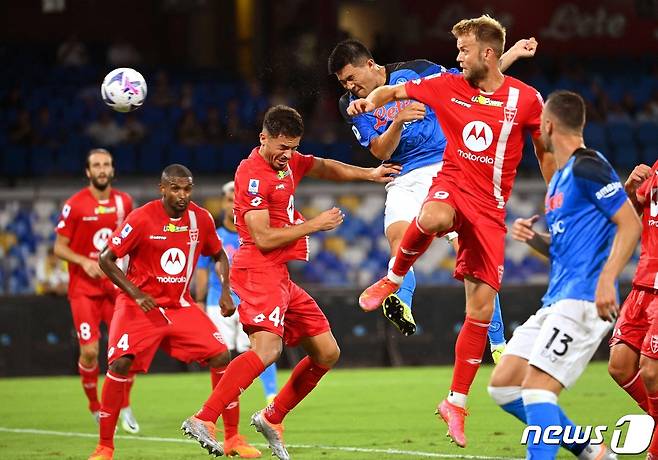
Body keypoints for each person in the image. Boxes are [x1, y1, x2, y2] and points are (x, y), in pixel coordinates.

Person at [347, 15, 554, 447]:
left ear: (487, 53)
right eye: (456, 50)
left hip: (491, 212)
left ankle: (456, 402)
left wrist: (555, 195)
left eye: (463, 50)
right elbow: (393, 91)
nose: (456, 57)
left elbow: (545, 148)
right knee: (435, 217)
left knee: (477, 311)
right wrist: (374, 101)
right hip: (448, 183)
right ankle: (394, 277)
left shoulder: (527, 99)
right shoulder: (446, 86)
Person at [184, 105, 400, 460]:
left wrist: (370, 173)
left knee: (327, 352)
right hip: (256, 269)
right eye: (282, 147)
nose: (288, 155)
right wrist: (315, 224)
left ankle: (273, 416)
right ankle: (204, 419)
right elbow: (264, 237)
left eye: (293, 147)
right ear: (263, 137)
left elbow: (323, 166)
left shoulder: (289, 162)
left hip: (279, 274)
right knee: (268, 350)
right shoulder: (252, 175)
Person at [328, 38, 537, 351]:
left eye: (351, 78)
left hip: (446, 168)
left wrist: (513, 54)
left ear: (370, 65)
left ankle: (497, 343)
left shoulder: (417, 71)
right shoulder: (351, 104)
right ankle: (403, 303)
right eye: (343, 82)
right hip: (403, 177)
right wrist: (397, 121)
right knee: (400, 242)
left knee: (469, 256)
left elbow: (470, 82)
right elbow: (379, 150)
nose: (349, 86)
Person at [488, 90, 640, 460]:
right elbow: (564, 246)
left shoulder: (589, 165)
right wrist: (535, 240)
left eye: (540, 123)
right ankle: (590, 449)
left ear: (549, 125)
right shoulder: (559, 180)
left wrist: (607, 280)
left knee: (539, 390)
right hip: (557, 300)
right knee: (505, 386)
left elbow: (630, 225)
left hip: (584, 299)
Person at [87, 164, 241, 460]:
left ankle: (233, 437)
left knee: (222, 355)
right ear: (163, 189)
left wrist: (224, 290)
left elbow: (218, 254)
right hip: (138, 305)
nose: (182, 195)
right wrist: (134, 292)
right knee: (120, 363)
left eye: (186, 189)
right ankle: (105, 446)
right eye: (175, 188)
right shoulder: (141, 218)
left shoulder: (201, 218)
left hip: (178, 305)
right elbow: (106, 259)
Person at [54, 148, 139, 433]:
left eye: (106, 165)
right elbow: (59, 247)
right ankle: (95, 406)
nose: (102, 169)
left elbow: (131, 240)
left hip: (115, 287)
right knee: (90, 352)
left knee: (128, 350)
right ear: (88, 172)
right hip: (83, 290)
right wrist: (83, 262)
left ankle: (123, 404)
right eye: (96, 165)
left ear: (112, 170)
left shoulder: (123, 202)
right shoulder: (75, 205)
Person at [195, 180, 277, 457]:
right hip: (216, 307)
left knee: (256, 355)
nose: (232, 204)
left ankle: (270, 399)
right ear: (223, 204)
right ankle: (225, 429)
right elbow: (203, 272)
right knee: (222, 363)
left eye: (236, 199)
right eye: (228, 200)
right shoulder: (215, 237)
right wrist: (198, 301)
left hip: (248, 306)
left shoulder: (251, 236)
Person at [606, 160, 658, 458]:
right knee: (620, 365)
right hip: (644, 284)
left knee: (651, 372)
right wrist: (629, 190)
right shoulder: (655, 169)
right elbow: (630, 219)